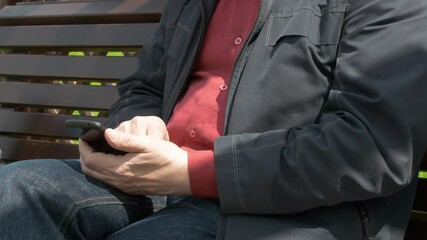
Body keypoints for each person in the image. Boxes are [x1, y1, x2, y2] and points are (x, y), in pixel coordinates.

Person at [1, 0, 427, 239]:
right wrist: (138, 124)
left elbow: (370, 148)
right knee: (17, 190)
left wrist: (193, 173)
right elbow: (143, 86)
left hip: (285, 212)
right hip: (162, 185)